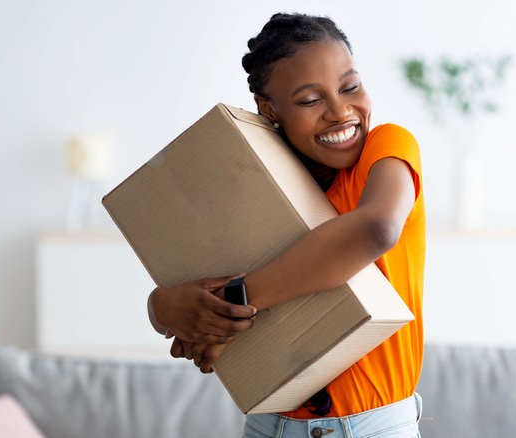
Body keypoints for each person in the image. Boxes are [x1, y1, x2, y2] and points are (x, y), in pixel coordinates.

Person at [147, 12, 426, 438]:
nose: (340, 111)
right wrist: (163, 309)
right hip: (267, 426)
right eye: (310, 100)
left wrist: (235, 304)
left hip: (374, 427)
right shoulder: (255, 183)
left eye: (350, 87)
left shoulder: (387, 149)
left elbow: (376, 229)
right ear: (268, 109)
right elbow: (195, 270)